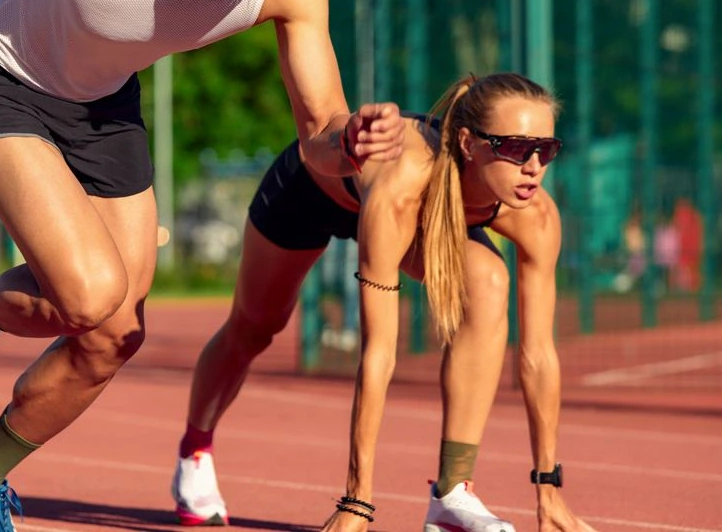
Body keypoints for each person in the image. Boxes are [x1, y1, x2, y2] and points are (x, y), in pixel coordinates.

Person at [0, 0, 405, 530]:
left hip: (102, 104)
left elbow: (319, 133)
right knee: (90, 295)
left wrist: (349, 141)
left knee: (115, 334)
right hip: (1, 72)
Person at [173, 73, 597, 532]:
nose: (533, 166)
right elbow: (378, 352)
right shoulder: (403, 183)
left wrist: (549, 493)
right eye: (515, 148)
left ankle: (452, 492)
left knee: (489, 282)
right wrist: (358, 501)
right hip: (309, 192)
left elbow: (538, 356)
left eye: (546, 150)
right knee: (254, 329)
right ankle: (195, 448)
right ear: (468, 143)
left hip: (420, 212)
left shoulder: (536, 215)